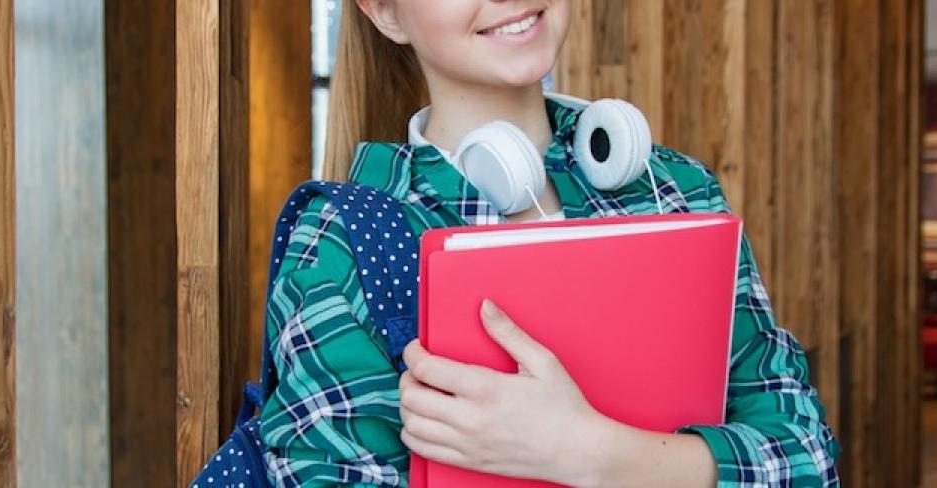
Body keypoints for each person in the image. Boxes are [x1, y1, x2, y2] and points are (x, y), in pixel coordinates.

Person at [257, 1, 840, 486]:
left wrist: (587, 452)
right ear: (385, 11)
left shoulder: (675, 192)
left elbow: (806, 457)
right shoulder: (344, 241)